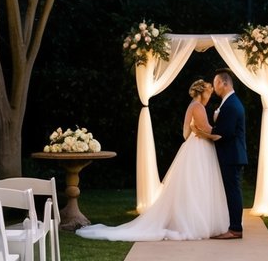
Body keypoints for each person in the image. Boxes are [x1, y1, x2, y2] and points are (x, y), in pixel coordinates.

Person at [76, 78, 229, 241]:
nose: (210, 94)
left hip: (194, 147)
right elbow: (207, 128)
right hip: (199, 149)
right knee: (199, 184)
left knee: (194, 185)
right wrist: (220, 127)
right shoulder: (198, 107)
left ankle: (196, 220)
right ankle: (197, 223)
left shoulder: (192, 106)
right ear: (202, 92)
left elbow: (185, 135)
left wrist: (196, 131)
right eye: (208, 90)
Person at [210, 69, 247, 239]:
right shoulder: (230, 102)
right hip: (233, 154)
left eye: (216, 83)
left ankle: (235, 229)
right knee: (232, 190)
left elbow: (226, 132)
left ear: (224, 83)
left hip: (231, 154)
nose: (214, 86)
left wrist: (208, 133)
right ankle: (233, 226)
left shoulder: (231, 104)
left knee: (233, 191)